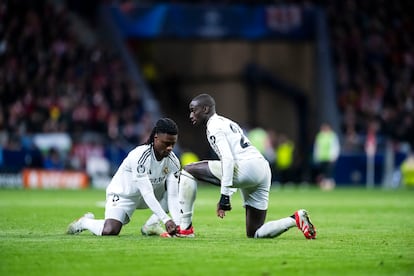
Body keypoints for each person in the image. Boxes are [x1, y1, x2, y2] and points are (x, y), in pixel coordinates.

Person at [177, 93, 316, 239]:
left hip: (245, 169)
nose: (191, 115)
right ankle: (295, 219)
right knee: (255, 233)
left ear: (205, 109)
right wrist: (228, 193)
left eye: (193, 110)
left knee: (188, 170)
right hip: (262, 169)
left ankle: (185, 230)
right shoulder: (228, 122)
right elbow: (235, 158)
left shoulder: (213, 126)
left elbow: (228, 159)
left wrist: (225, 195)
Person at [66, 118, 181, 237]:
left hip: (148, 196)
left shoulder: (173, 161)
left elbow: (173, 195)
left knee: (178, 188)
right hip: (125, 195)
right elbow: (147, 192)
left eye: (173, 144)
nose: (170, 148)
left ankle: (151, 224)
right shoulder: (140, 156)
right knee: (110, 231)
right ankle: (84, 222)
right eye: (166, 143)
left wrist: (177, 224)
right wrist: (166, 220)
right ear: (156, 138)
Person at [313, 122, 340, 190]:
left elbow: (336, 146)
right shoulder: (319, 136)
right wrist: (316, 156)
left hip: (329, 157)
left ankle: (330, 184)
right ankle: (323, 184)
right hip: (322, 157)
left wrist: (334, 156)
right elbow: (317, 146)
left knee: (329, 171)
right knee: (323, 171)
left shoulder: (332, 135)